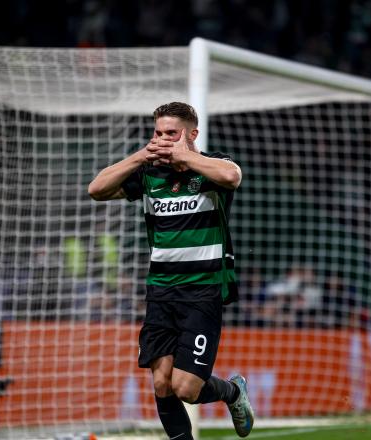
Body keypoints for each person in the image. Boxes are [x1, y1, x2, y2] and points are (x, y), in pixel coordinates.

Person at [88, 102, 254, 439]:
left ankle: (233, 392)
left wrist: (186, 156)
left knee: (186, 388)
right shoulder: (149, 174)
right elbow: (97, 189)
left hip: (202, 292)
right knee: (162, 383)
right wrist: (139, 156)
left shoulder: (212, 166)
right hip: (160, 292)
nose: (163, 139)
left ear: (192, 134)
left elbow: (232, 175)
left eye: (171, 133)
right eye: (158, 133)